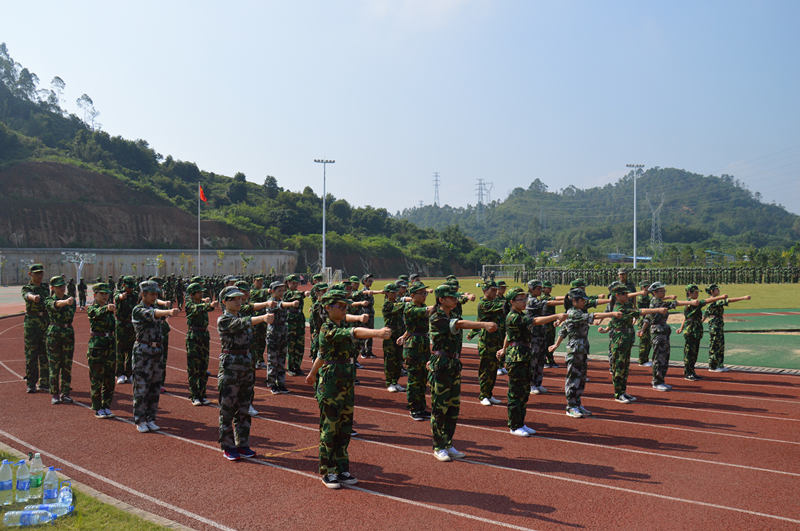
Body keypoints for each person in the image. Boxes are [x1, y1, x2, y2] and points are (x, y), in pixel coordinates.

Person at [305, 288, 390, 488]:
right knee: (330, 427)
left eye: (345, 306)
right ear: (327, 308)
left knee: (344, 427)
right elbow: (352, 332)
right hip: (331, 383)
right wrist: (377, 332)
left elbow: (322, 354)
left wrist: (311, 373)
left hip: (345, 380)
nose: (344, 310)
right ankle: (328, 470)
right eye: (340, 306)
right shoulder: (327, 328)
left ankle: (342, 468)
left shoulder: (339, 324)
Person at [428, 284, 497, 461]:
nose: (455, 299)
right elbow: (459, 325)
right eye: (451, 297)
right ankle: (438, 446)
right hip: (442, 365)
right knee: (440, 408)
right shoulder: (437, 317)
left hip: (453, 364)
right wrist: (483, 324)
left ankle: (448, 443)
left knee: (453, 408)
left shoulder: (453, 314)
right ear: (441, 299)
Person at [217, 285, 275, 461]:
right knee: (227, 408)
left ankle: (243, 444)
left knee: (244, 408)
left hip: (246, 365)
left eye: (240, 299)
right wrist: (263, 317)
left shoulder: (242, 316)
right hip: (230, 367)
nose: (238, 301)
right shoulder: (224, 320)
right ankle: (228, 446)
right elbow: (242, 324)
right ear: (225, 302)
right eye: (233, 299)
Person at [496, 288, 565, 436]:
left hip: (524, 355)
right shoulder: (513, 316)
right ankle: (514, 425)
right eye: (520, 299)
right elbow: (535, 321)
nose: (524, 302)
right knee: (516, 393)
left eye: (524, 298)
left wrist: (503, 348)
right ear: (512, 302)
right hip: (516, 357)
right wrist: (556, 315)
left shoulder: (519, 314)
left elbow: (508, 335)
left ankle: (521, 423)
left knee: (524, 392)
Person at [548, 288, 620, 418]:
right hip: (575, 350)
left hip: (582, 349)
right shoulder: (574, 313)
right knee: (573, 378)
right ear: (574, 301)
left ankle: (577, 403)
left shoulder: (576, 312)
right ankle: (571, 406)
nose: (584, 303)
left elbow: (563, 330)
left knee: (581, 378)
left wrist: (556, 345)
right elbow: (594, 316)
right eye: (582, 300)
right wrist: (612, 314)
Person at [599, 285, 667, 402]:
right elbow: (640, 312)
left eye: (627, 293)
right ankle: (618, 393)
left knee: (625, 368)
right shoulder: (619, 308)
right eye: (624, 294)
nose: (627, 296)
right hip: (619, 341)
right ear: (617, 296)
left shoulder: (626, 305)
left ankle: (623, 392)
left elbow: (613, 322)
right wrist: (657, 310)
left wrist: (605, 329)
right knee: (619, 368)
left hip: (627, 340)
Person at [639, 282, 707, 391]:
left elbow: (647, 317)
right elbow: (674, 303)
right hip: (658, 332)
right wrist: (691, 302)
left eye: (664, 291)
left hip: (662, 332)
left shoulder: (656, 301)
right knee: (659, 358)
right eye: (662, 291)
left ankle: (660, 380)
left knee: (664, 357)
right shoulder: (657, 303)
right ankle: (657, 382)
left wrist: (642, 329)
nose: (664, 292)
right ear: (655, 293)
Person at [131, 280, 179, 433]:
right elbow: (153, 314)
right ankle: (140, 419)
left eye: (155, 294)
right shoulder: (138, 309)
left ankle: (151, 418)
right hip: (143, 351)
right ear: (143, 294)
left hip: (156, 351)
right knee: (141, 387)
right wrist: (168, 311)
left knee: (154, 386)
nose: (154, 297)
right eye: (151, 294)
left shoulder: (154, 307)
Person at [398, 282, 435, 421]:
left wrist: (404, 335)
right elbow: (428, 310)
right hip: (414, 347)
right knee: (414, 379)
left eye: (425, 293)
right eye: (422, 293)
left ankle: (421, 408)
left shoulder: (419, 307)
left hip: (422, 344)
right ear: (412, 295)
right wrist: (441, 303)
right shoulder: (410, 308)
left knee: (422, 378)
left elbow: (411, 327)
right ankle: (414, 408)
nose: (424, 296)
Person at [526, 280, 568, 395]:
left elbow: (551, 300)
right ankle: (531, 384)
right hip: (533, 334)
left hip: (541, 333)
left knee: (540, 360)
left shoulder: (537, 299)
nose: (540, 290)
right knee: (533, 361)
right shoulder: (530, 300)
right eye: (538, 288)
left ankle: (538, 383)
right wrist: (566, 301)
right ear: (532, 289)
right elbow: (549, 303)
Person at [469, 280, 506, 406]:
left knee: (494, 368)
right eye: (493, 290)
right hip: (487, 342)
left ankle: (489, 394)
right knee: (485, 369)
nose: (496, 292)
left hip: (496, 341)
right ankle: (483, 395)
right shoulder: (483, 304)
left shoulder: (495, 302)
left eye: (496, 290)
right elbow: (502, 306)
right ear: (485, 291)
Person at [44, 276, 77, 405]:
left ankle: (65, 393)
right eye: (59, 286)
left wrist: (67, 302)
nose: (62, 288)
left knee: (67, 365)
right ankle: (54, 393)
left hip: (68, 332)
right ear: (52, 288)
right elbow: (55, 305)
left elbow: (70, 315)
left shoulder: (70, 300)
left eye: (63, 286)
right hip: (54, 333)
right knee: (54, 365)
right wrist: (65, 303)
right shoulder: (48, 300)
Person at [704, 284, 750, 372]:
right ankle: (713, 366)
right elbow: (728, 300)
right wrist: (743, 298)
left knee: (720, 345)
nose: (718, 290)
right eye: (717, 289)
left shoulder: (713, 300)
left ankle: (720, 365)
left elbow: (705, 314)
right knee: (715, 345)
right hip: (715, 325)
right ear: (712, 291)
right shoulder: (713, 301)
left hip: (718, 325)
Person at [86, 283, 117, 418]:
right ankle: (97, 407)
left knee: (109, 379)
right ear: (95, 295)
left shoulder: (110, 310)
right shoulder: (92, 309)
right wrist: (106, 308)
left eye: (106, 294)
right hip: (97, 347)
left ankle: (106, 406)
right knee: (96, 378)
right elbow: (97, 313)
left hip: (110, 346)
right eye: (102, 294)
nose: (105, 296)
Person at [185, 283, 218, 405]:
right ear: (192, 294)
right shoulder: (189, 305)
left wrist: (208, 303)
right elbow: (197, 308)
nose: (201, 294)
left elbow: (209, 308)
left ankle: (202, 394)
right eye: (199, 292)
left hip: (204, 336)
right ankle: (194, 396)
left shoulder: (201, 303)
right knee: (194, 368)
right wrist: (207, 304)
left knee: (204, 367)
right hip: (194, 337)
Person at [266, 281, 299, 394]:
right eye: (279, 290)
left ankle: (281, 383)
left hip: (283, 333)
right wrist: (291, 304)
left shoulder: (281, 301)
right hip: (273, 334)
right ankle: (272, 384)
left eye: (282, 290)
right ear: (273, 291)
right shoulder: (271, 302)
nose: (281, 292)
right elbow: (281, 306)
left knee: (281, 360)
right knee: (273, 360)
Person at [22, 264, 50, 394]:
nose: (39, 276)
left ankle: (45, 382)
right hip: (32, 324)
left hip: (44, 322)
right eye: (36, 273)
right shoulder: (27, 288)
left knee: (45, 353)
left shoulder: (45, 288)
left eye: (41, 273)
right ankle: (31, 383)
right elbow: (27, 295)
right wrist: (34, 297)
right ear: (30, 274)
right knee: (31, 354)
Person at [381, 283, 406, 392]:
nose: (395, 294)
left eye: (396, 292)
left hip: (399, 335)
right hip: (390, 337)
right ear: (387, 293)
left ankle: (395, 382)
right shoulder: (387, 304)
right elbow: (401, 306)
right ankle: (389, 382)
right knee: (390, 360)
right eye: (392, 292)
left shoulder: (396, 302)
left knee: (399, 359)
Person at [284, 274, 309, 376]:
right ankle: (290, 367)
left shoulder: (297, 293)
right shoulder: (286, 294)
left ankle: (297, 366)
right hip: (290, 324)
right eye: (292, 283)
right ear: (288, 283)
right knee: (291, 347)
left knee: (300, 346)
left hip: (299, 323)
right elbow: (295, 295)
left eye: (296, 283)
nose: (295, 285)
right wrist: (304, 293)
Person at [114, 276, 138, 384]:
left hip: (131, 326)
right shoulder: (118, 293)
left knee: (131, 350)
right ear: (123, 285)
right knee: (120, 351)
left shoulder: (135, 295)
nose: (130, 289)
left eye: (132, 287)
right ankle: (120, 374)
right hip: (121, 326)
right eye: (129, 287)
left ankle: (129, 373)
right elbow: (117, 297)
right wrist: (120, 297)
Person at [637, 282, 653, 366]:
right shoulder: (642, 297)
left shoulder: (646, 296)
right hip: (643, 320)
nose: (649, 288)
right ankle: (642, 361)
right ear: (643, 288)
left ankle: (645, 359)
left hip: (647, 320)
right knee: (644, 341)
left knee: (648, 341)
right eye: (648, 287)